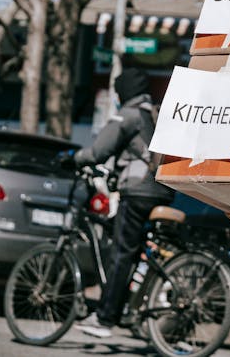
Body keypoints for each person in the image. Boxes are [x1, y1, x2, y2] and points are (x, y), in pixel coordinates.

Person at [71, 67, 175, 338]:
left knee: (121, 253)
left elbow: (98, 151)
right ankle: (132, 302)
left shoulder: (128, 115)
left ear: (123, 91)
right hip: (163, 191)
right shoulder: (155, 114)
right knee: (127, 243)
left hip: (138, 192)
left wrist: (74, 158)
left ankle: (105, 319)